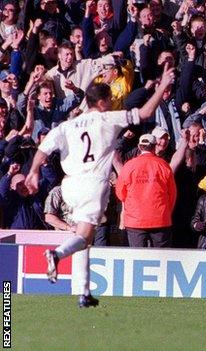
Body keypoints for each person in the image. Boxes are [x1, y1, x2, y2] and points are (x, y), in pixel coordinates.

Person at [24, 66, 176, 307]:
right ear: (103, 102)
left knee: (84, 236)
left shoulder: (66, 125)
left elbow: (43, 150)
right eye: (110, 99)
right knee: (84, 237)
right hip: (93, 184)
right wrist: (163, 85)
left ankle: (83, 292)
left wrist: (32, 173)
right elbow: (146, 112)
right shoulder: (108, 118)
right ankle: (57, 254)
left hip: (69, 186)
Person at [115, 133, 177, 248]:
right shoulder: (163, 165)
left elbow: (120, 193)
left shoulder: (129, 166)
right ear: (154, 146)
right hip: (160, 218)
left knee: (138, 256)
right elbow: (172, 193)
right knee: (161, 257)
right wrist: (166, 212)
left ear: (139, 147)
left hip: (135, 219)